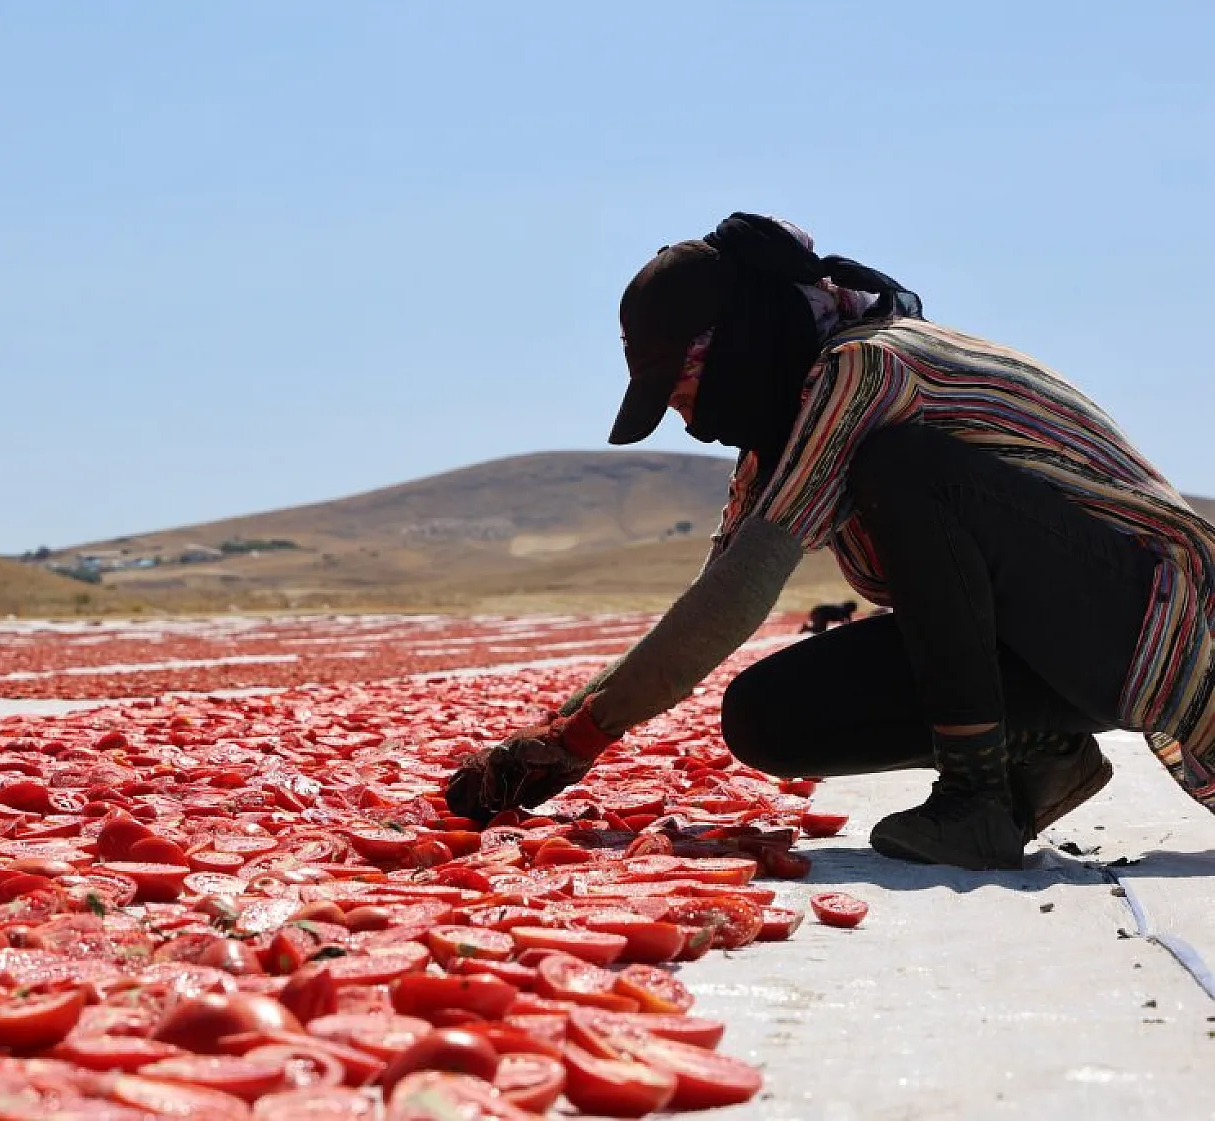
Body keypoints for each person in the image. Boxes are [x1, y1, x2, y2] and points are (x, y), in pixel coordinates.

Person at [445, 212, 1215, 871]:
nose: (688, 422)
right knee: (766, 714)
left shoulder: (868, 369)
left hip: (1140, 615)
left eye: (684, 390)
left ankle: (976, 800)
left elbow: (745, 589)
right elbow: (708, 601)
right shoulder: (788, 428)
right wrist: (548, 737)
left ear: (737, 343)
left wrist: (582, 737)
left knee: (904, 469)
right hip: (1052, 642)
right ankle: (1042, 758)